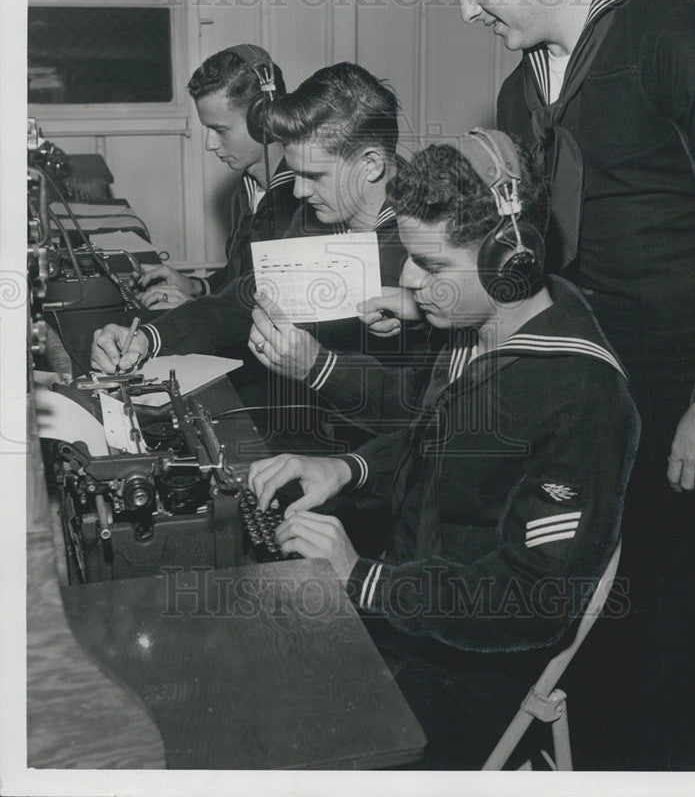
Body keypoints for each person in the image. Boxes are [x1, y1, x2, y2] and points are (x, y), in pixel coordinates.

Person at [425, 0, 695, 769]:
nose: (469, 10)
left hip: (692, 397)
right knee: (603, 603)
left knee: (685, 621)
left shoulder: (682, 39)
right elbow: (544, 256)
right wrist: (447, 299)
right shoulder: (526, 88)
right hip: (606, 399)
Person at [246, 131, 639, 770]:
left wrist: (361, 579)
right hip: (412, 607)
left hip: (472, 668)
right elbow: (439, 437)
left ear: (508, 263)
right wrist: (345, 467)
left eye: (431, 266)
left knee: (270, 730)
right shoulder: (482, 327)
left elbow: (532, 602)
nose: (407, 280)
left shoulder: (580, 398)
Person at [90, 63, 425, 456]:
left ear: (370, 164)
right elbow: (243, 300)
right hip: (308, 431)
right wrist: (147, 337)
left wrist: (319, 367)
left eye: (313, 175)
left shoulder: (430, 252)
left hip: (376, 464)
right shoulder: (318, 219)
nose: (297, 191)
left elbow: (426, 411)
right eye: (295, 173)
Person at [135, 44, 299, 309]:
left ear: (264, 119)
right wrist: (198, 286)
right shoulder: (247, 189)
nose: (209, 144)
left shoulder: (303, 200)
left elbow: (284, 318)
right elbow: (242, 277)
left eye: (219, 130)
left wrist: (195, 310)